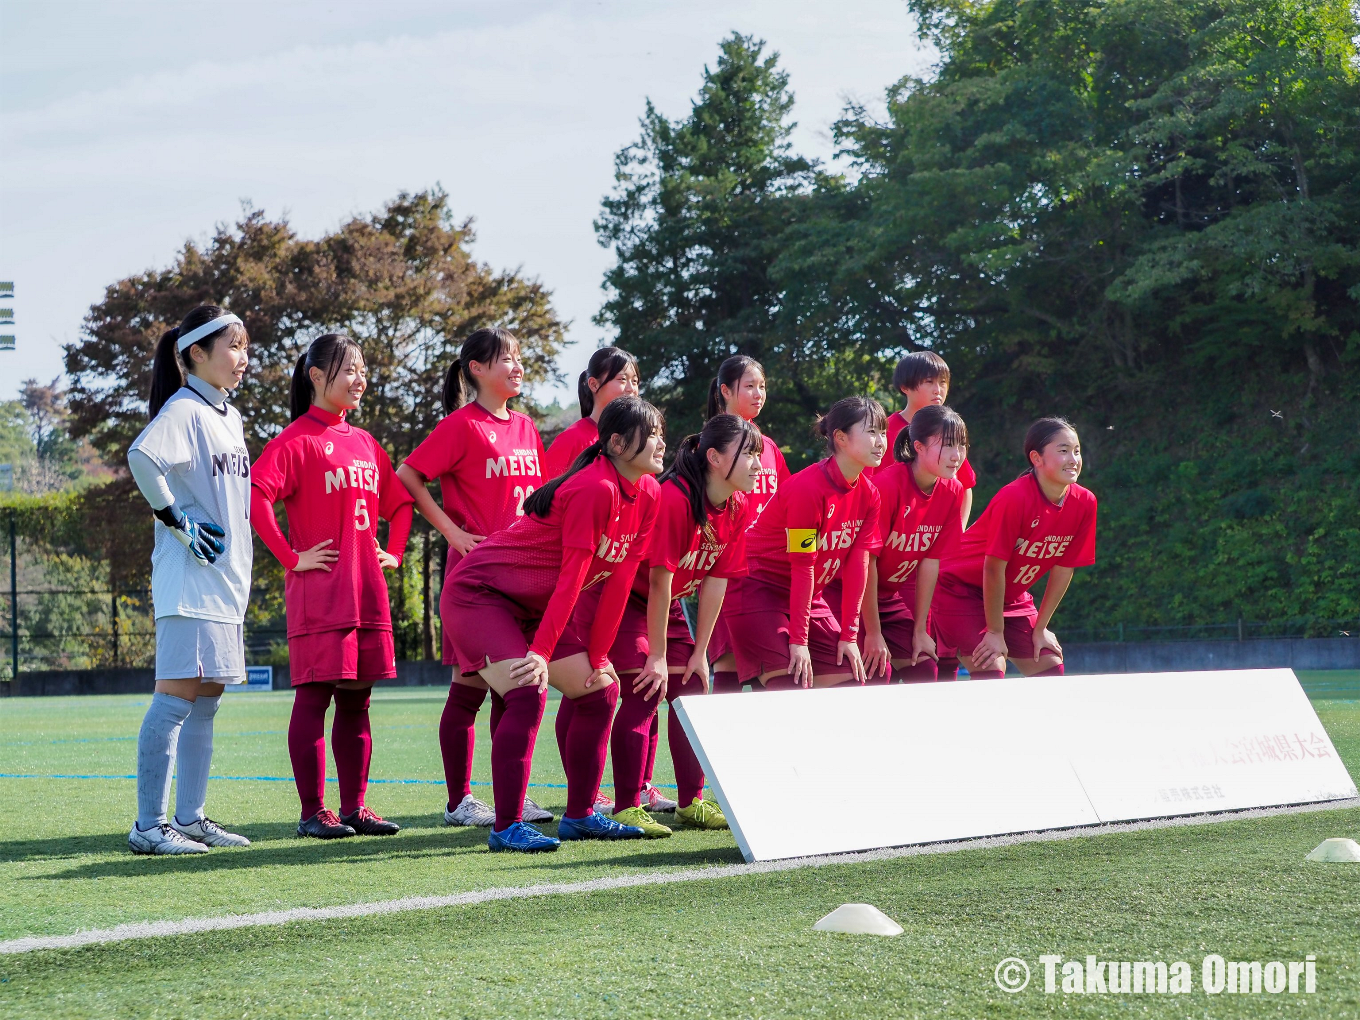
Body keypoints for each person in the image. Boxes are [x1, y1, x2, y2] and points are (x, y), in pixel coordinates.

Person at [442, 397, 664, 852]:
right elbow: (571, 580)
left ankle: (580, 815)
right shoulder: (595, 489)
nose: (662, 442)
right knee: (527, 690)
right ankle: (506, 827)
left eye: (662, 432)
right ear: (617, 443)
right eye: (652, 433)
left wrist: (599, 655)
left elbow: (619, 581)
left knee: (602, 689)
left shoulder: (649, 493)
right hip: (480, 595)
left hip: (531, 607)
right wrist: (541, 654)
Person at [251, 333, 414, 839]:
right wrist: (290, 557)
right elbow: (255, 496)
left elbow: (401, 502)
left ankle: (354, 808)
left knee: (357, 701)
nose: (359, 379)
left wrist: (397, 552)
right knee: (314, 698)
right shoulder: (295, 440)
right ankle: (312, 812)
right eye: (349, 370)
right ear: (316, 376)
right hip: (320, 596)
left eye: (363, 369)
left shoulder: (364, 442)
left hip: (367, 592)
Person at [395, 327, 553, 829]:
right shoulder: (461, 426)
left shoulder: (528, 428)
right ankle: (459, 801)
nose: (516, 365)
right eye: (505, 358)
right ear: (477, 369)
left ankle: (514, 796)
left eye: (518, 356)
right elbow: (407, 475)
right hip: (478, 580)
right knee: (469, 686)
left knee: (516, 689)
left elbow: (542, 501)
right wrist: (451, 532)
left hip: (524, 576)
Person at [126, 305, 254, 855]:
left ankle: (191, 817)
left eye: (246, 346)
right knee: (176, 698)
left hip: (224, 583)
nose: (242, 358)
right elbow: (142, 457)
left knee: (207, 699)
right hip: (190, 582)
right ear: (196, 354)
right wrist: (176, 519)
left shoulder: (228, 414)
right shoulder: (184, 407)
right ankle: (148, 827)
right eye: (233, 346)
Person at [599, 413, 761, 837]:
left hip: (665, 604)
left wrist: (701, 652)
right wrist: (656, 654)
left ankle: (691, 803)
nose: (758, 465)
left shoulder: (740, 505)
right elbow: (657, 579)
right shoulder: (675, 498)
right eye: (748, 454)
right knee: (645, 692)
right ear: (713, 457)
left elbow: (716, 580)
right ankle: (627, 806)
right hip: (625, 599)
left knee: (691, 692)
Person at [724, 397, 885, 690]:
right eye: (872, 431)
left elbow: (859, 565)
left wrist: (849, 635)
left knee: (852, 679)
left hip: (807, 595)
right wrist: (799, 641)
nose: (881, 441)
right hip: (757, 587)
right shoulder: (807, 489)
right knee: (792, 683)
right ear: (840, 437)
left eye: (883, 432)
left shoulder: (870, 495)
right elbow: (803, 565)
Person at [934, 417, 1096, 679]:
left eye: (1076, 451)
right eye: (1063, 450)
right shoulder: (1015, 497)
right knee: (992, 665)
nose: (1074, 459)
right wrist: (995, 632)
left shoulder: (1085, 502)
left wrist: (1041, 627)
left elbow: (1064, 570)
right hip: (958, 588)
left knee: (1049, 665)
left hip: (1008, 596)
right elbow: (993, 569)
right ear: (1036, 458)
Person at [832, 405, 967, 684]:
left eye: (962, 445)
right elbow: (866, 562)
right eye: (948, 445)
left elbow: (930, 561)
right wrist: (874, 632)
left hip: (887, 598)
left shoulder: (952, 491)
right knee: (877, 670)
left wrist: (920, 629)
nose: (957, 456)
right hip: (846, 594)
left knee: (925, 666)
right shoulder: (888, 486)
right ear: (918, 446)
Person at [705, 356, 790, 699]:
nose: (759, 394)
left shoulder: (769, 446)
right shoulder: (711, 444)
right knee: (727, 663)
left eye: (762, 386)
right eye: (750, 386)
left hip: (766, 572)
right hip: (727, 569)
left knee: (762, 667)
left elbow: (790, 507)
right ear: (725, 391)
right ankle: (712, 749)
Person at [872, 352, 977, 527]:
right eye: (929, 382)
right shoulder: (884, 432)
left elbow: (965, 487)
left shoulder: (950, 430)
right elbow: (867, 490)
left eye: (943, 382)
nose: (938, 390)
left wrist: (957, 533)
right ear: (905, 387)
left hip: (933, 538)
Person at [541, 346, 639, 479]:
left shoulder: (640, 440)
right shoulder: (572, 439)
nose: (631, 388)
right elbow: (543, 492)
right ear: (593, 384)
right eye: (622, 379)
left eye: (635, 381)